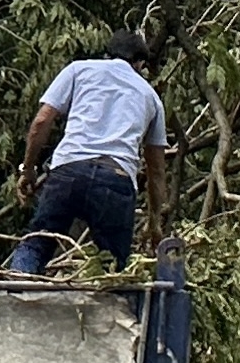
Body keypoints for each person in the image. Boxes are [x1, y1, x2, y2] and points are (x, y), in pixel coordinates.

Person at [9, 32, 169, 276]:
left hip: (68, 172)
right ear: (140, 64)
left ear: (108, 52)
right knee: (112, 267)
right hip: (115, 179)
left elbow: (42, 121)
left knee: (36, 245)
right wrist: (154, 221)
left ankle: (15, 290)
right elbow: (157, 170)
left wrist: (28, 169)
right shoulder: (151, 97)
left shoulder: (79, 70)